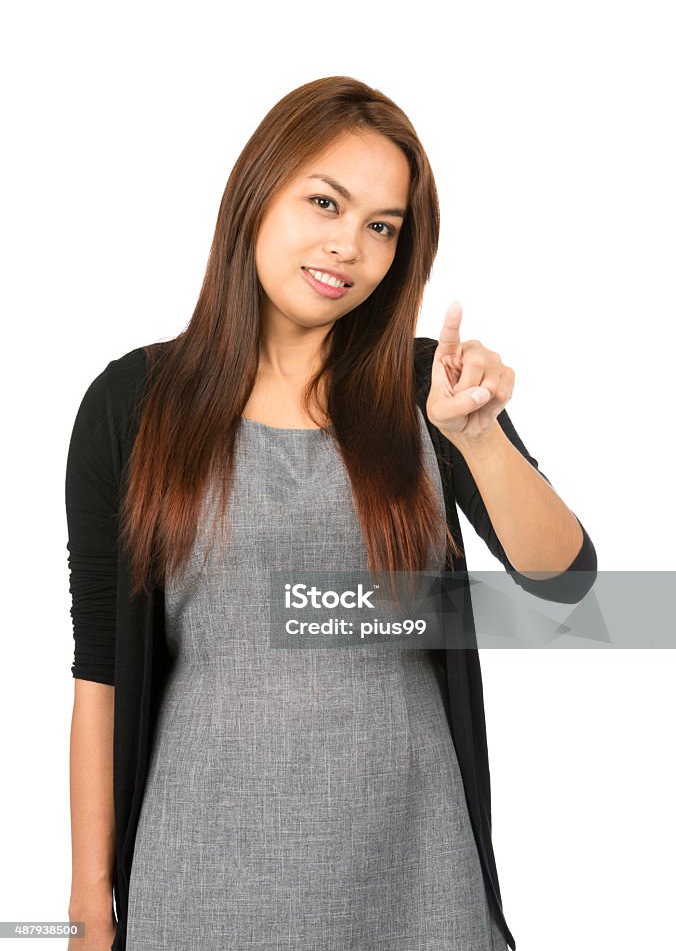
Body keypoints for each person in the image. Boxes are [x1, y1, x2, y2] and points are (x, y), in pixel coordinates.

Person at [66, 75, 597, 951]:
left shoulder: (430, 388)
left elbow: (566, 585)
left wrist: (480, 441)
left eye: (381, 226)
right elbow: (101, 671)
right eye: (326, 202)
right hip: (201, 877)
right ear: (256, 191)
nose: (349, 245)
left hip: (416, 872)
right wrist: (91, 901)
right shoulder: (132, 404)